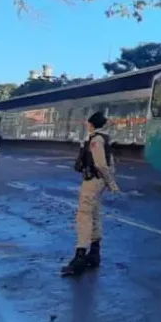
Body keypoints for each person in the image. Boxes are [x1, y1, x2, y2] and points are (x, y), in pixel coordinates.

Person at [61, 111, 119, 276]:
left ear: (92, 124)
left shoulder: (97, 140)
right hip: (97, 181)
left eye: (88, 124)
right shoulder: (102, 138)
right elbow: (109, 163)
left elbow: (101, 164)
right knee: (94, 215)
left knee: (84, 216)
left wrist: (111, 183)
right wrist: (108, 182)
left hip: (92, 181)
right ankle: (94, 253)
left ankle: (79, 257)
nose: (87, 126)